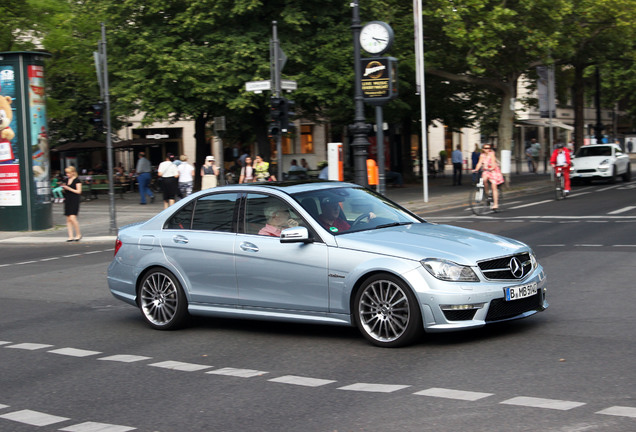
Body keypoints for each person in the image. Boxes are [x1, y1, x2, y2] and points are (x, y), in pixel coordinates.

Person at [473, 144, 504, 211]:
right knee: (484, 180)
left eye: (488, 148)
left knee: (493, 185)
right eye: (486, 148)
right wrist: (476, 169)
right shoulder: (482, 155)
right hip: (486, 171)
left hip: (493, 171)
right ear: (483, 149)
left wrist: (492, 167)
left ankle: (495, 204)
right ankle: (487, 195)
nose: (487, 149)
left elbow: (493, 162)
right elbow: (479, 163)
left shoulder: (491, 154)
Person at [62, 166, 82, 241]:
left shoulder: (77, 180)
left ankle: (78, 234)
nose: (67, 174)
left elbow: (79, 191)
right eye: (67, 173)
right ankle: (70, 236)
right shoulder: (66, 180)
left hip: (74, 199)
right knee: (68, 219)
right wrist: (64, 189)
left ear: (73, 172)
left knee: (73, 217)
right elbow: (66, 190)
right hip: (68, 199)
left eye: (69, 173)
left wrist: (69, 188)